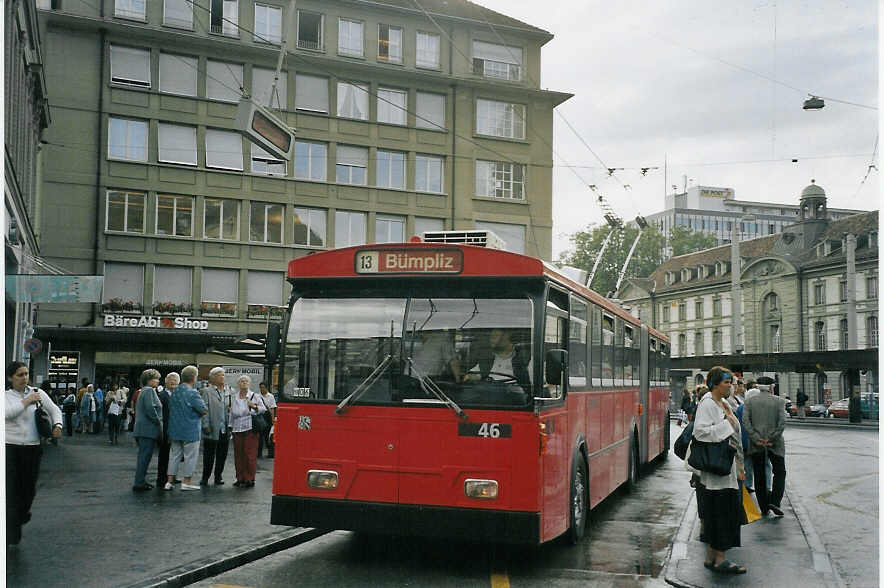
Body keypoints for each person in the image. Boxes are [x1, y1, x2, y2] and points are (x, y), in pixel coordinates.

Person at [691, 366, 746, 575]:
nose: (730, 386)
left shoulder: (721, 402)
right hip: (717, 470)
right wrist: (728, 426)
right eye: (726, 382)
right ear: (715, 384)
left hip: (726, 467)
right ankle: (720, 559)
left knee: (718, 513)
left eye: (731, 382)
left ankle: (711, 556)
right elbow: (701, 432)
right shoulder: (708, 404)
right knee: (724, 514)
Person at [5, 361, 63, 546]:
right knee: (11, 492)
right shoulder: (6, 396)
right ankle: (11, 533)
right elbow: (7, 414)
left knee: (28, 490)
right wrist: (26, 401)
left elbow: (54, 409)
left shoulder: (37, 393)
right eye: (19, 375)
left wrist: (57, 425)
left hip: (32, 447)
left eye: (26, 374)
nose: (24, 378)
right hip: (10, 448)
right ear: (10, 378)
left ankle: (21, 515)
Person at [743, 382, 787, 518]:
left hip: (756, 444)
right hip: (776, 444)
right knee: (780, 472)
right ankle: (775, 501)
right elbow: (782, 423)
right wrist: (772, 439)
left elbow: (746, 422)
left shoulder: (749, 402)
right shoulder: (779, 401)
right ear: (771, 387)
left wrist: (756, 438)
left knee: (759, 473)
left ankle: (763, 507)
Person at [166, 365, 207, 491]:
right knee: (190, 456)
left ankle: (169, 482)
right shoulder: (193, 393)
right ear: (194, 378)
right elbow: (203, 410)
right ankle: (186, 482)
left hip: (175, 428)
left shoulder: (175, 392)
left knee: (174, 455)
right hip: (190, 429)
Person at [465, 328, 532, 391]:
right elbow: (477, 374)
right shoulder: (488, 358)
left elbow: (530, 384)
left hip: (514, 398)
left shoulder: (523, 358)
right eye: (491, 337)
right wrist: (470, 377)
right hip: (488, 396)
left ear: (507, 336)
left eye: (495, 336)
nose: (491, 339)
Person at [230, 375, 265, 487]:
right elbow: (231, 413)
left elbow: (263, 409)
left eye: (246, 381)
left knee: (249, 454)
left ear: (249, 384)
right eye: (241, 381)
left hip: (250, 428)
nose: (243, 383)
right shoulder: (234, 396)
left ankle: (249, 478)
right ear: (238, 384)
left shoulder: (254, 396)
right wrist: (230, 426)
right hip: (237, 428)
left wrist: (254, 406)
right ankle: (240, 477)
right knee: (238, 454)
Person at [199, 367, 231, 486]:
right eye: (219, 375)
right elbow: (204, 409)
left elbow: (231, 407)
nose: (222, 377)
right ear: (212, 377)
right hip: (212, 427)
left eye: (223, 375)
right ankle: (205, 477)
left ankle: (218, 476)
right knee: (209, 455)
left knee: (222, 454)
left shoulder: (229, 391)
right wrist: (205, 425)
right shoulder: (206, 391)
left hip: (225, 428)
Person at [132, 370, 163, 492]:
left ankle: (140, 480)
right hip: (148, 429)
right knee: (145, 457)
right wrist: (158, 421)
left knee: (143, 456)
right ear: (149, 379)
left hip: (141, 428)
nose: (158, 381)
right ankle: (139, 482)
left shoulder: (143, 391)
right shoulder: (149, 391)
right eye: (156, 378)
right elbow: (151, 409)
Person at [156, 373, 176, 488]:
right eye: (171, 380)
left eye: (175, 380)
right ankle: (161, 479)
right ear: (166, 382)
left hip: (176, 430)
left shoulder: (178, 395)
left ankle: (172, 478)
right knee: (164, 455)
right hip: (165, 430)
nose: (173, 382)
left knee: (174, 455)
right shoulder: (162, 395)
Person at [257, 382, 277, 459]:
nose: (262, 389)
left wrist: (272, 419)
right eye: (261, 387)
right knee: (260, 436)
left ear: (266, 388)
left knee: (268, 436)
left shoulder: (271, 396)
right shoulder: (257, 396)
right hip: (260, 416)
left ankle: (270, 453)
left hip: (267, 417)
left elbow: (272, 408)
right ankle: (259, 453)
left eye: (263, 387)